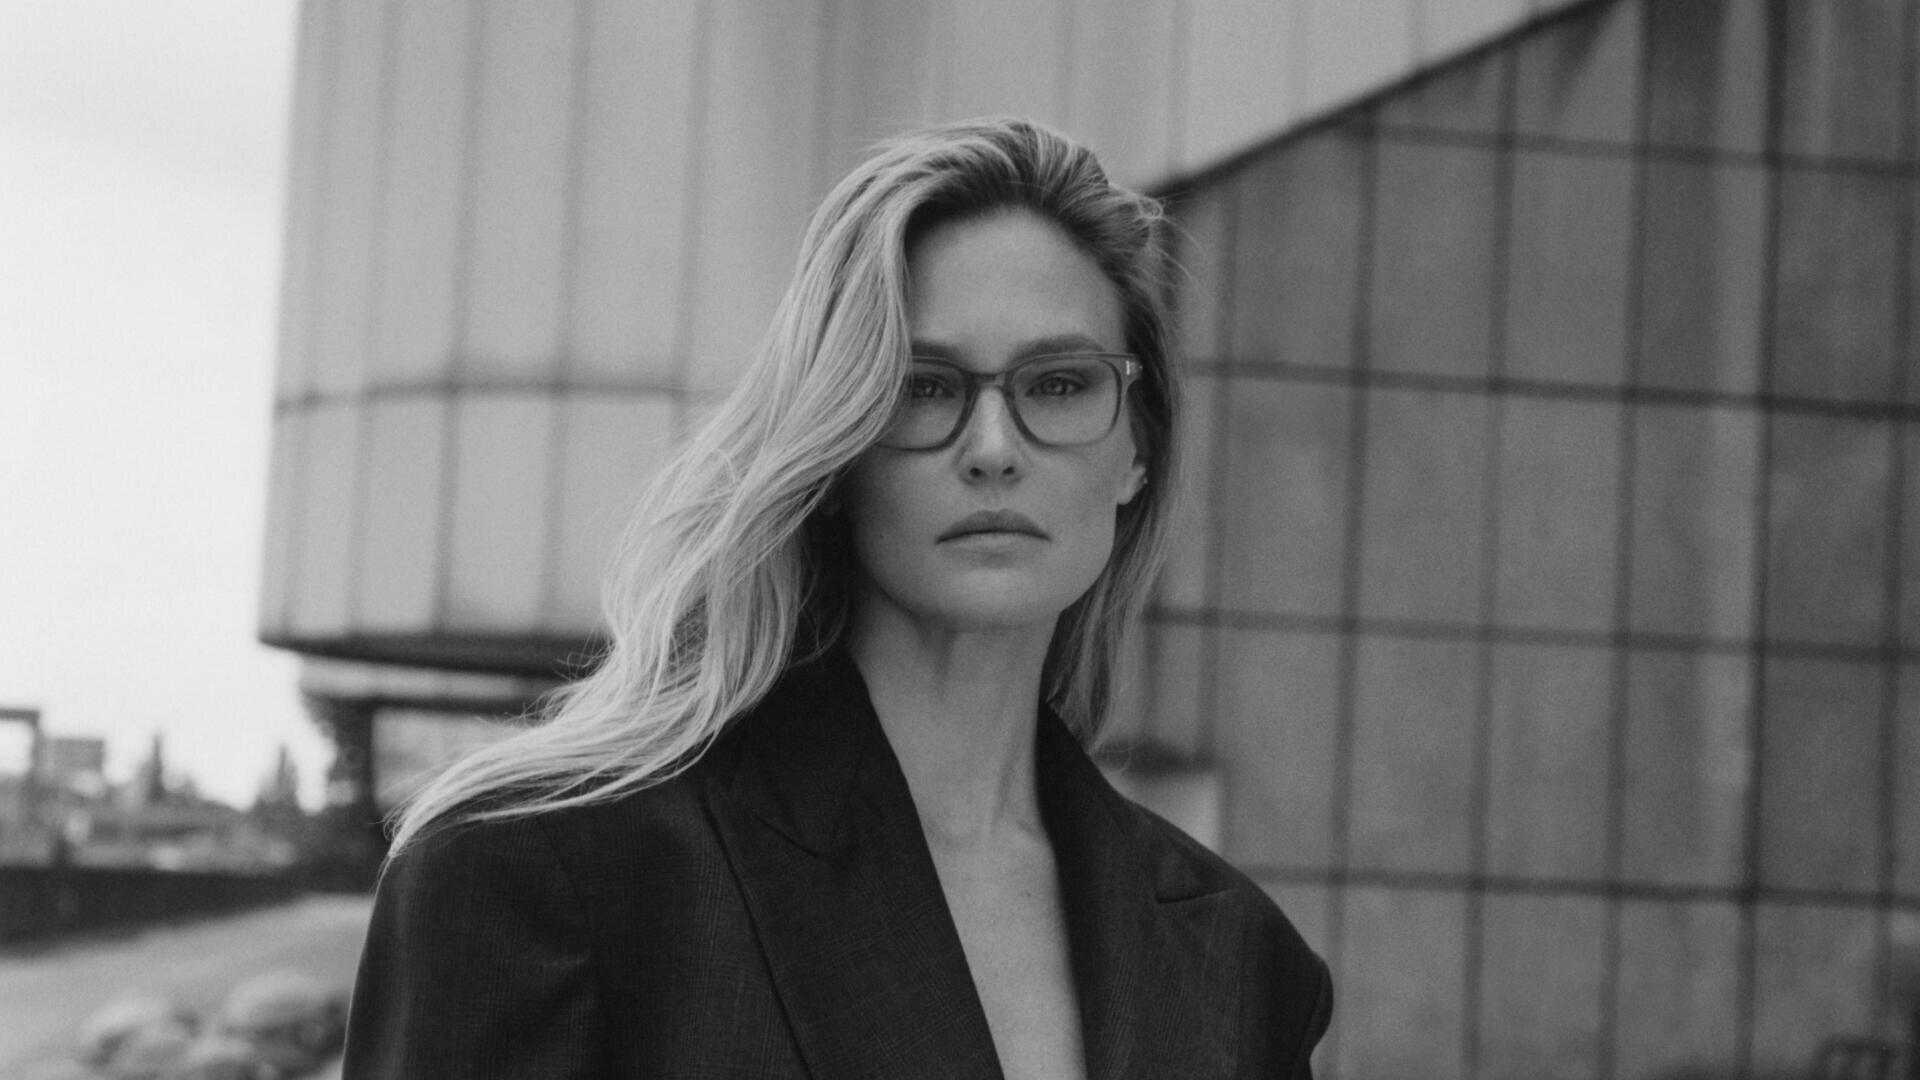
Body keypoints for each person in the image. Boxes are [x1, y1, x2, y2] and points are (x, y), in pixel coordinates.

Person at [343, 117, 1331, 1079]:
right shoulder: (541, 874)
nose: (994, 449)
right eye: (926, 387)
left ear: (1136, 452)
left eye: (1060, 384)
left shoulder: (1241, 963)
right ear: (838, 440)